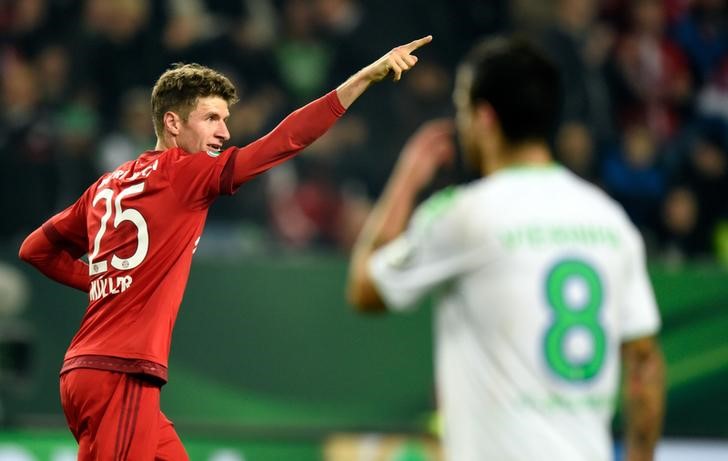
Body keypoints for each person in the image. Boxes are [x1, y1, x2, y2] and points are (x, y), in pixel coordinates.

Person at [18, 35, 432, 460]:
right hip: (122, 372)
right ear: (174, 123)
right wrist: (362, 78)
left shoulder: (108, 184)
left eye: (225, 118)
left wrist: (102, 280)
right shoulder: (187, 174)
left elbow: (35, 249)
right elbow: (284, 141)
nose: (225, 131)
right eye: (211, 118)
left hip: (87, 369)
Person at [347, 36, 665, 461]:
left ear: (484, 118)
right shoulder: (609, 220)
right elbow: (644, 363)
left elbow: (365, 289)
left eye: (461, 108)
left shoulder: (463, 216)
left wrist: (406, 178)